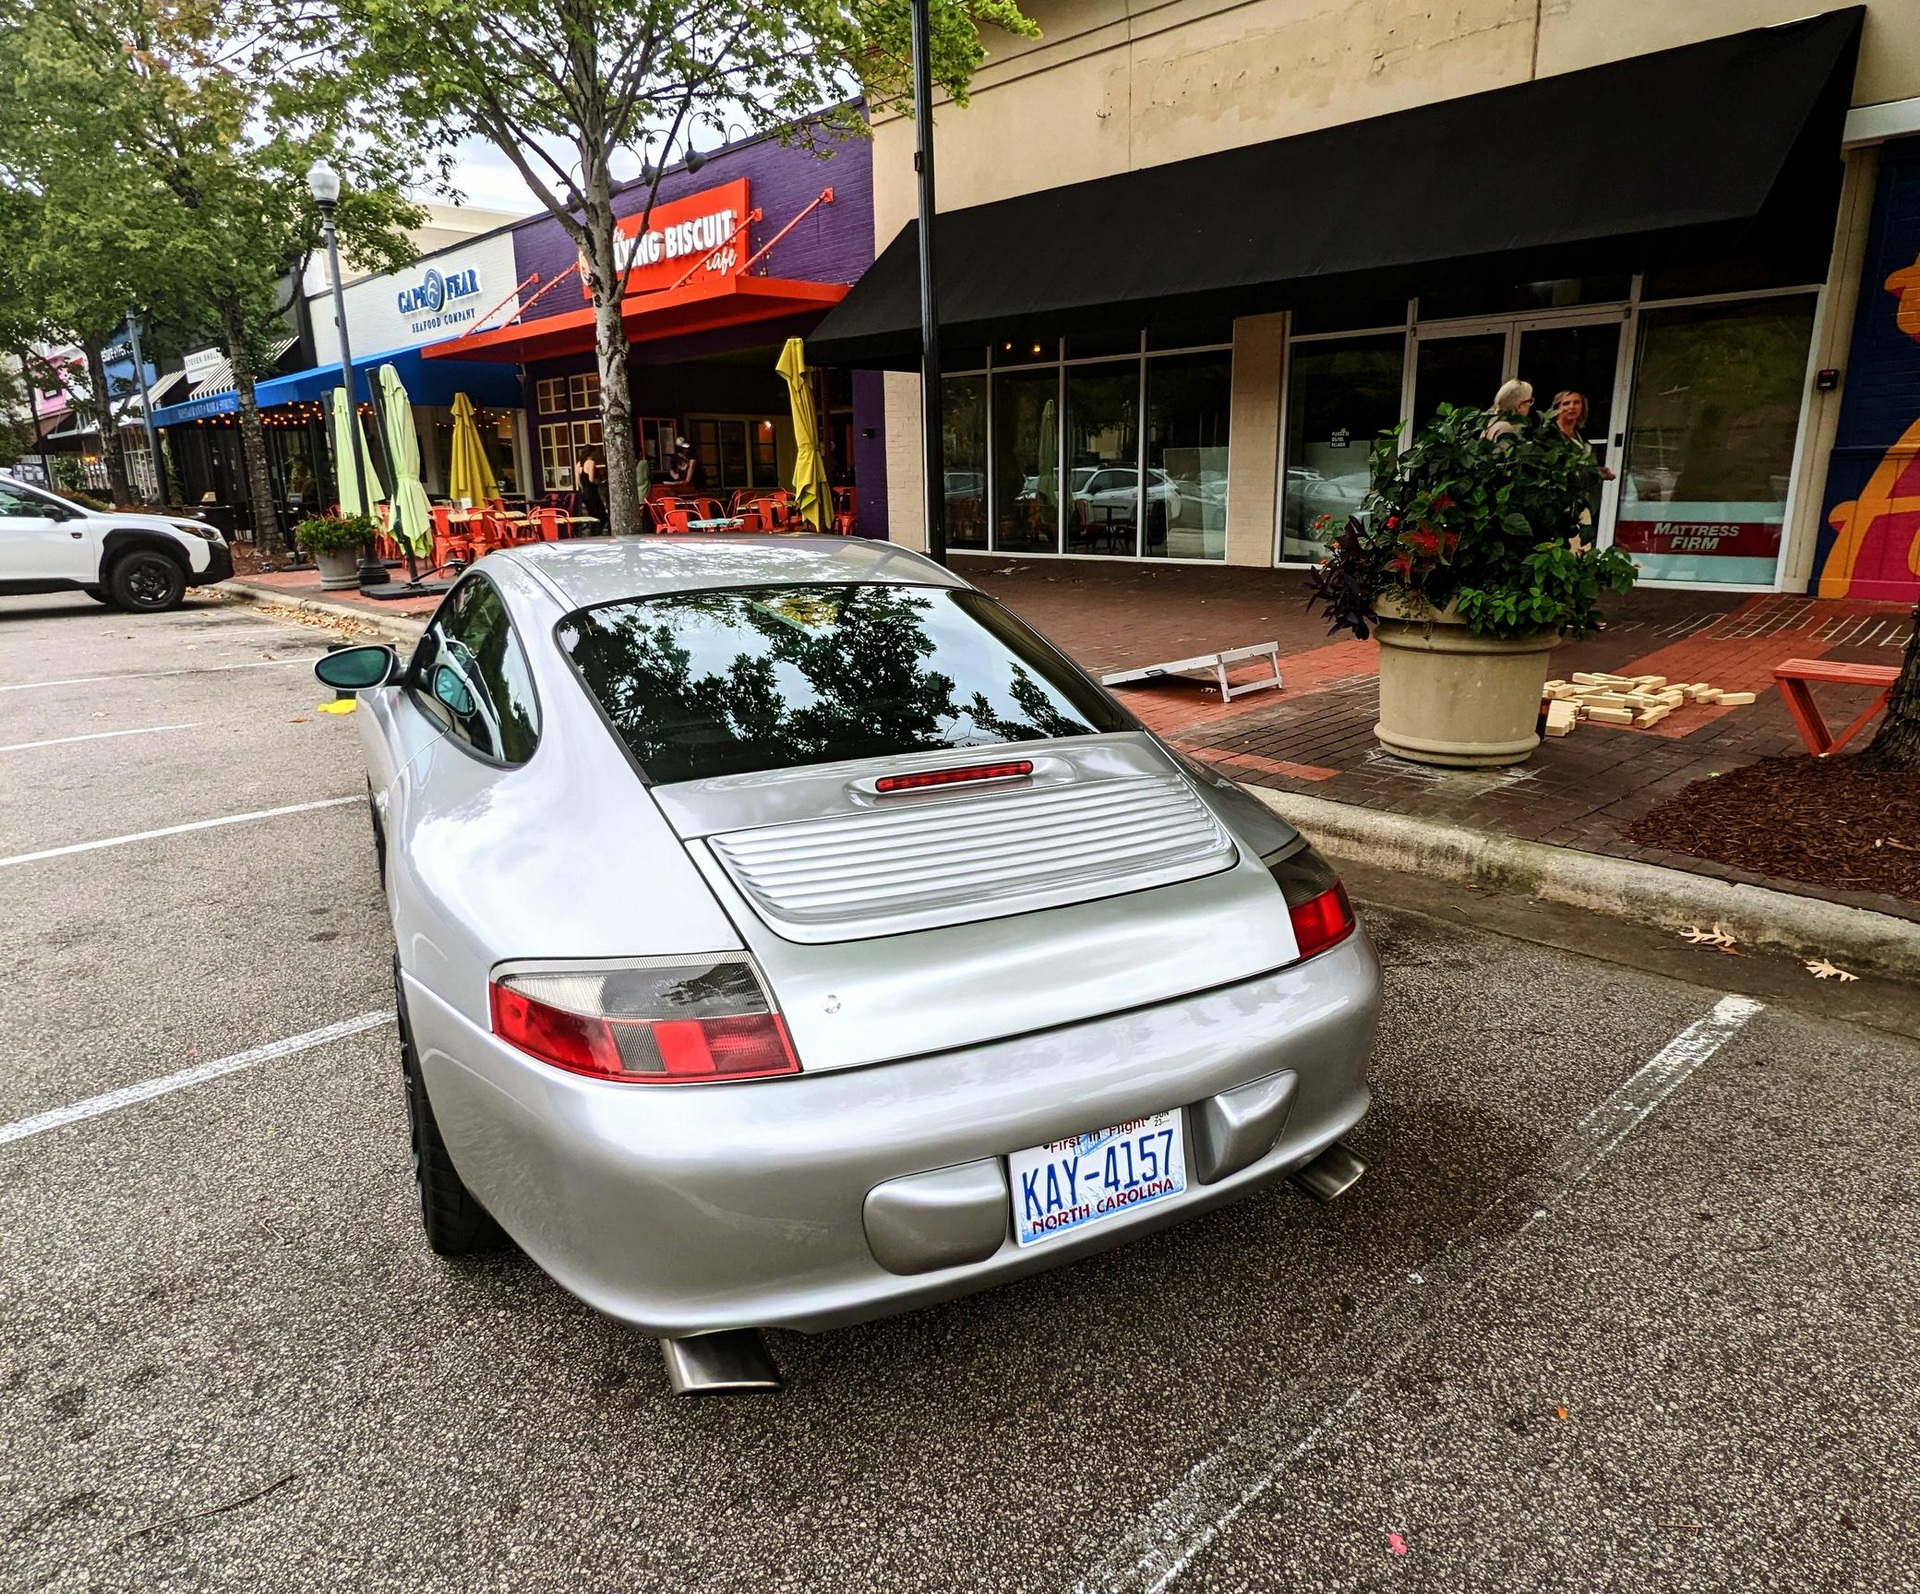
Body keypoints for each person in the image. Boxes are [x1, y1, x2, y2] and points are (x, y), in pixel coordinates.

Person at [1551, 390, 1616, 480]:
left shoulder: (1582, 435)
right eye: (1566, 403)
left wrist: (1596, 471)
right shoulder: (1550, 434)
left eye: (1576, 402)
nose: (1572, 406)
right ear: (1557, 408)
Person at [574, 450, 609, 533]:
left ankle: (593, 532)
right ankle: (596, 533)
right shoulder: (591, 462)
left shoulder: (579, 464)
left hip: (584, 492)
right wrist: (601, 482)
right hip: (592, 492)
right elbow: (591, 479)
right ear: (591, 453)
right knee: (601, 515)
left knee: (592, 515)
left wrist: (582, 488)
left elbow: (578, 480)